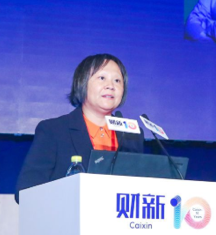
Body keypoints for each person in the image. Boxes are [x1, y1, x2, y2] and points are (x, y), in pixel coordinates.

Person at [14, 54, 144, 202]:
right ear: (82, 83)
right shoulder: (54, 130)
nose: (110, 86)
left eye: (117, 81)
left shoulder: (132, 135)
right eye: (102, 78)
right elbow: (26, 191)